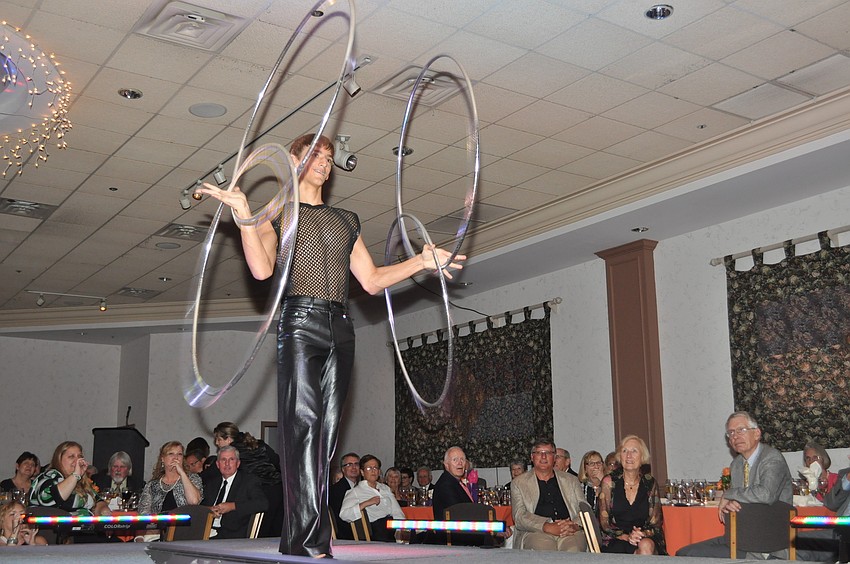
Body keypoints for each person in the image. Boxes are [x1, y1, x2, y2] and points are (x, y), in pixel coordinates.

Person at [196, 133, 463, 558]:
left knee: (327, 434)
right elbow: (262, 270)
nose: (324, 162)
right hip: (300, 323)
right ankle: (308, 542)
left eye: (328, 156)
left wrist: (419, 261)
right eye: (314, 155)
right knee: (303, 426)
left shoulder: (346, 219)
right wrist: (245, 215)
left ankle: (304, 538)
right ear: (294, 163)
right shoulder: (278, 213)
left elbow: (372, 281)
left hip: (341, 327)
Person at [677, 411, 792, 558]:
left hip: (767, 542)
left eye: (741, 430)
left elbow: (766, 494)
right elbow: (737, 504)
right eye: (731, 433)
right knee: (683, 553)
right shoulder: (736, 464)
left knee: (691, 555)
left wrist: (729, 494)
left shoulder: (772, 458)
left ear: (757, 433)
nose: (735, 436)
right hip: (740, 536)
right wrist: (729, 506)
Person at [511, 438, 586, 552]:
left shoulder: (571, 480)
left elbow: (584, 509)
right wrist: (546, 526)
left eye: (548, 453)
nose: (543, 457)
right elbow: (519, 516)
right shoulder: (519, 483)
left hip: (569, 530)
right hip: (536, 531)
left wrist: (574, 525)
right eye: (539, 453)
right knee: (546, 554)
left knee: (573, 551)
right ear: (532, 457)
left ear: (554, 457)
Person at [597, 435, 665, 555]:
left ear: (642, 457)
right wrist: (626, 536)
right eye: (625, 451)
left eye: (634, 451)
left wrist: (641, 534)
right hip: (616, 538)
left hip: (643, 536)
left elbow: (656, 523)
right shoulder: (609, 482)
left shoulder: (650, 483)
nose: (629, 455)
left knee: (646, 545)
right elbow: (604, 523)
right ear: (620, 456)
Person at [213, 422, 282, 537]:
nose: (216, 443)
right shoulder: (259, 444)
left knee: (258, 531)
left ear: (228, 439)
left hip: (259, 491)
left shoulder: (233, 454)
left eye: (219, 439)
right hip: (277, 489)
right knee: (274, 531)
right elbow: (278, 461)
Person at [202, 446, 268, 539]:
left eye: (231, 459)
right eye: (223, 460)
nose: (227, 463)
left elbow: (262, 504)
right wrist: (209, 510)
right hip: (207, 531)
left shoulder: (248, 481)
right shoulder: (212, 483)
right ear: (217, 464)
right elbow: (202, 506)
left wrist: (233, 506)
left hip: (232, 535)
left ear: (238, 463)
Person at [30, 441, 110, 517]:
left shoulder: (81, 481)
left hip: (82, 525)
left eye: (80, 456)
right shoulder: (50, 476)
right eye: (71, 457)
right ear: (59, 460)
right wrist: (76, 475)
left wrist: (103, 510)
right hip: (53, 526)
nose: (77, 460)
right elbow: (49, 498)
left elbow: (97, 501)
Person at [339, 454, 405, 542]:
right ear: (362, 472)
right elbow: (344, 514)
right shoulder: (355, 491)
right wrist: (366, 503)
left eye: (375, 468)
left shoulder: (385, 488)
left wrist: (401, 529)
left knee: (417, 531)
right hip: (376, 529)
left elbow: (397, 511)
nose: (373, 471)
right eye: (369, 468)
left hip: (391, 525)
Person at [137, 441, 202, 515]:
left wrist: (182, 473)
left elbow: (194, 501)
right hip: (159, 522)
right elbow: (143, 513)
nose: (176, 458)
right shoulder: (152, 485)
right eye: (171, 454)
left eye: (179, 454)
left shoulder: (192, 479)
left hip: (185, 522)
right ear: (162, 459)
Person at [329, 452, 359, 541]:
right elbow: (339, 519)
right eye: (349, 464)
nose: (354, 467)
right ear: (343, 469)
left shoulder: (362, 487)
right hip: (346, 536)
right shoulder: (336, 490)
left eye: (356, 464)